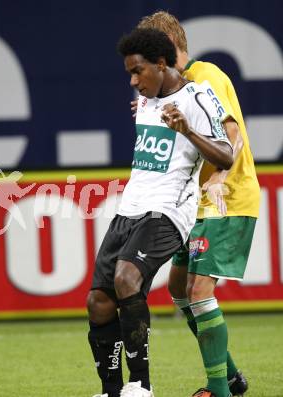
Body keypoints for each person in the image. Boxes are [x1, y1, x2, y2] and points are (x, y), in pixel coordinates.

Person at [87, 27, 234, 397]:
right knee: (99, 300)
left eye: (139, 71)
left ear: (163, 63)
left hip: (169, 212)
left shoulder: (198, 98)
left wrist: (186, 131)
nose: (134, 81)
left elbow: (225, 155)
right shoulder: (148, 100)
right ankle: (111, 390)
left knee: (126, 279)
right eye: (130, 74)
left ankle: (141, 386)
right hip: (130, 209)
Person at [134, 11, 260, 397]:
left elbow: (231, 131)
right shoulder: (173, 90)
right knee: (178, 288)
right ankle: (232, 376)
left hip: (227, 199)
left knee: (200, 290)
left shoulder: (205, 75)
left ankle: (218, 389)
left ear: (166, 51)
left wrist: (222, 176)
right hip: (195, 205)